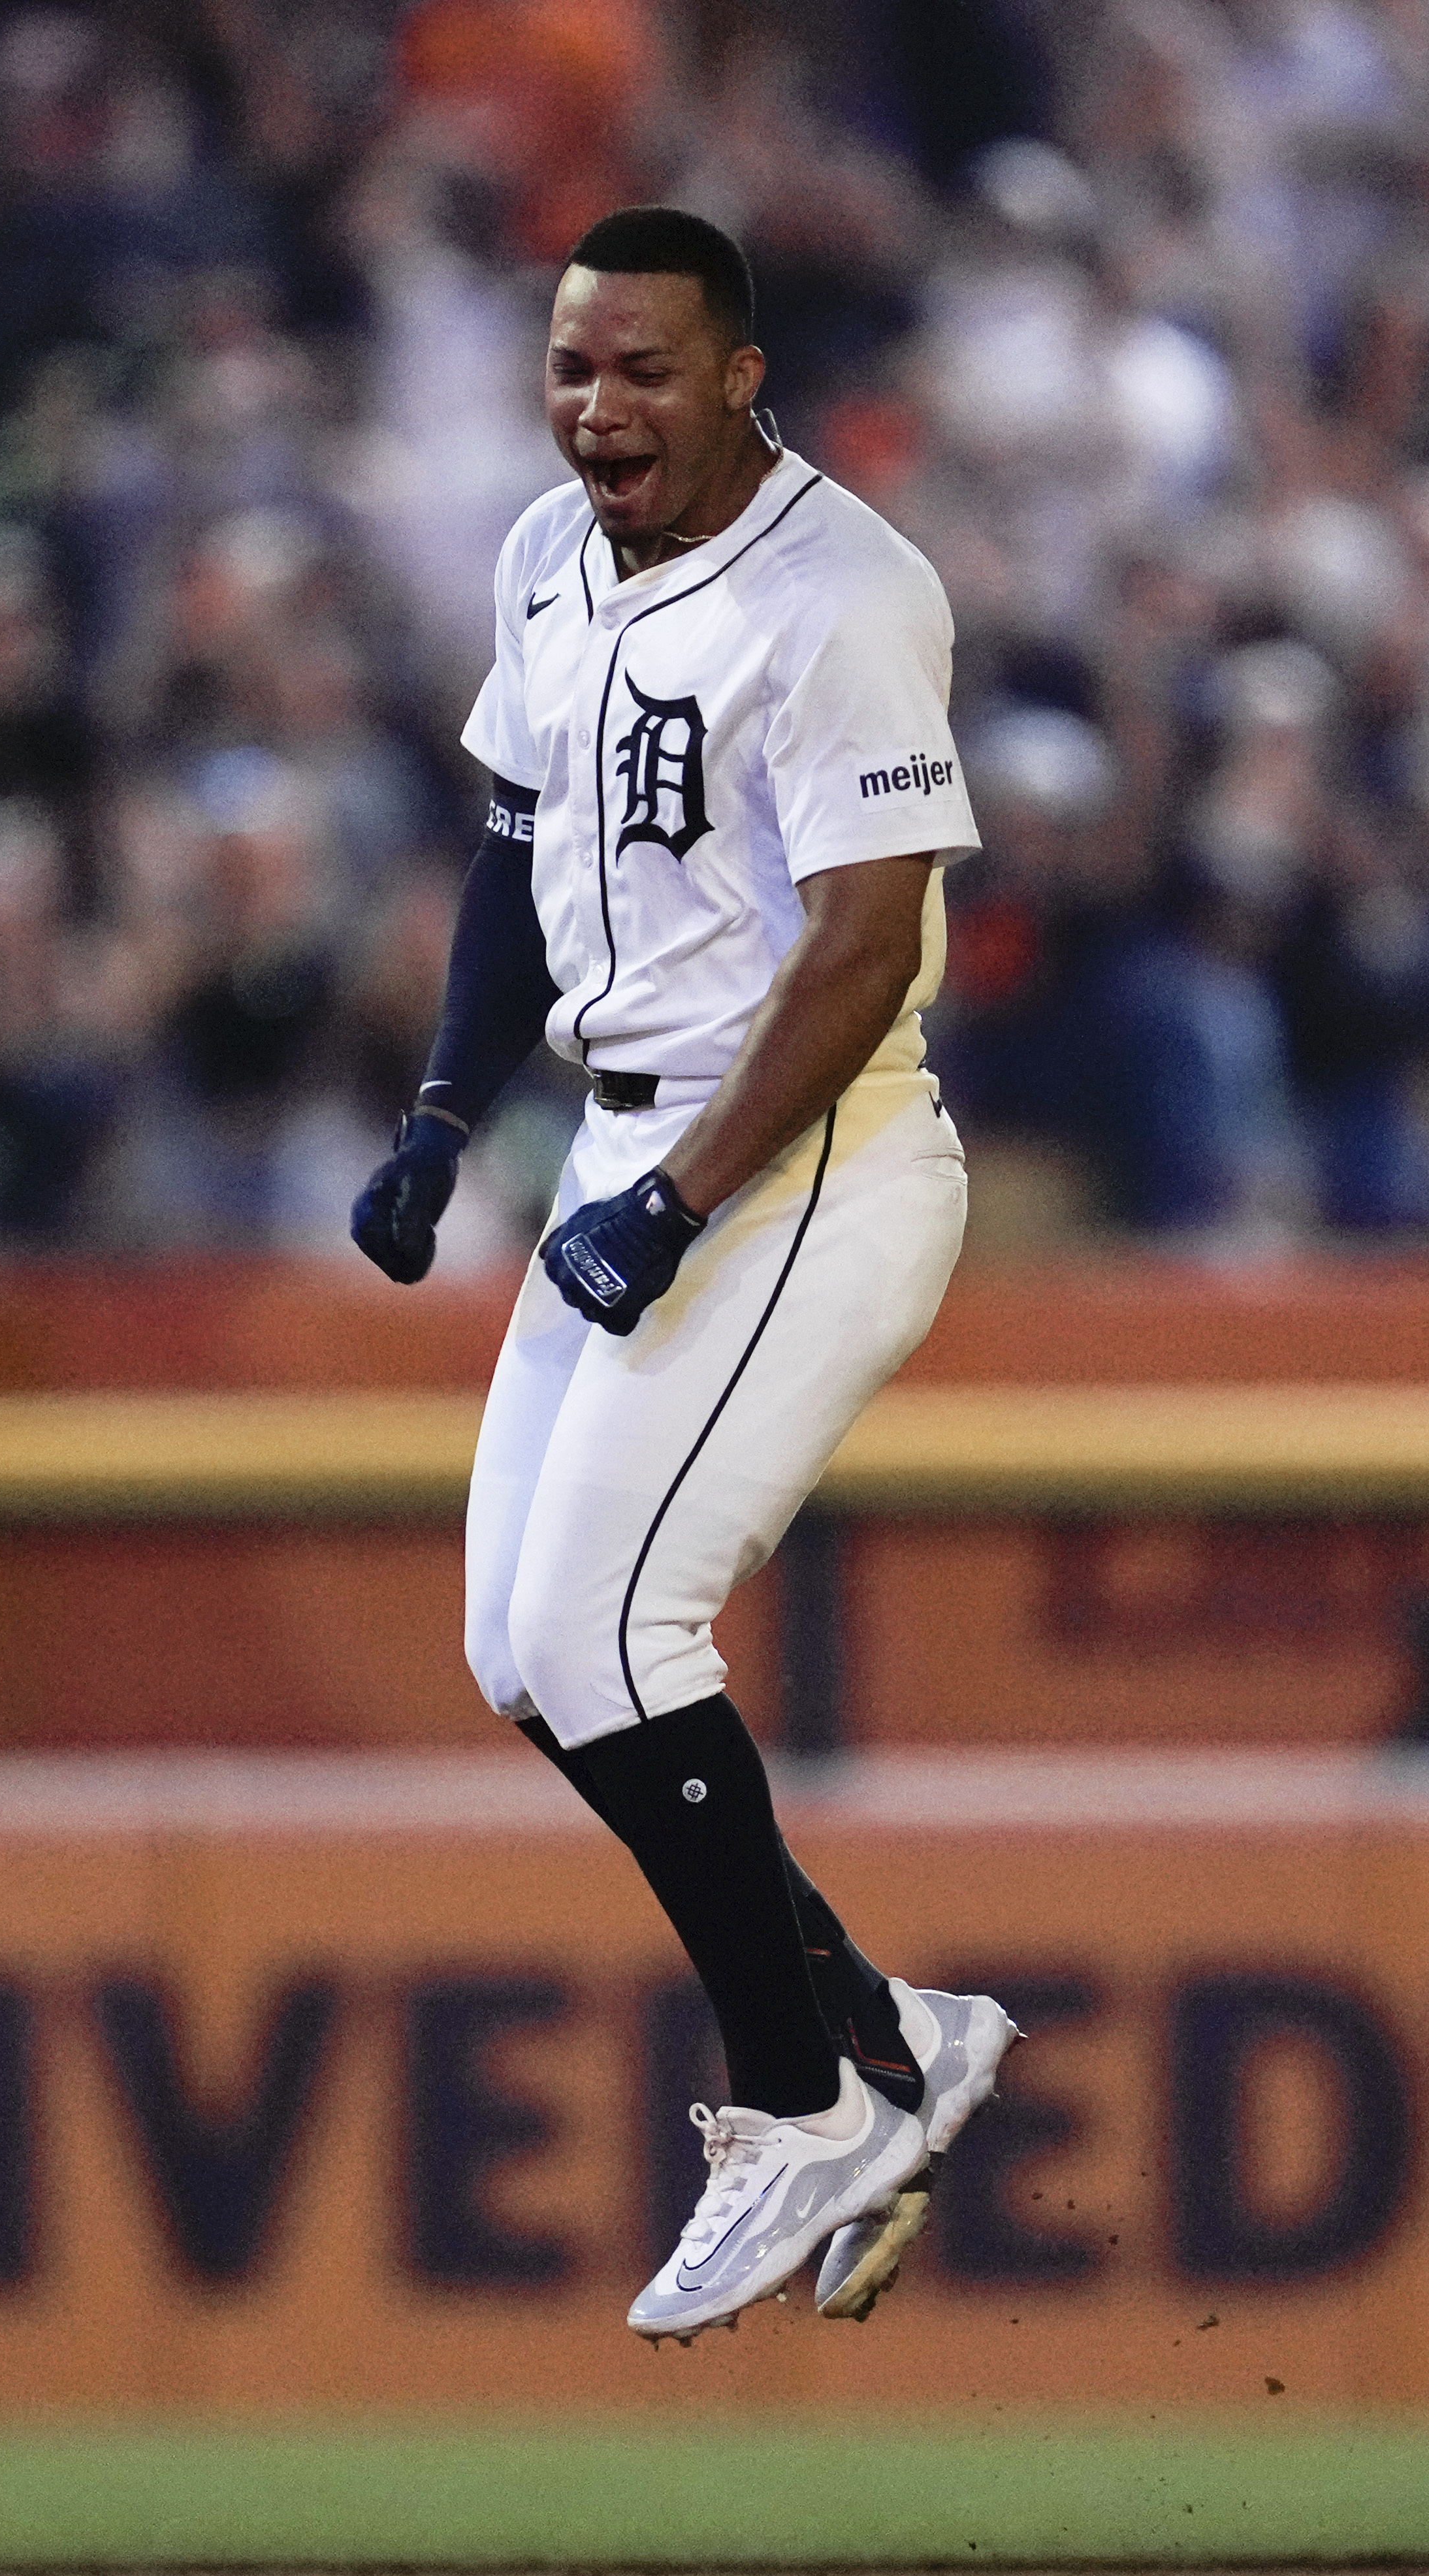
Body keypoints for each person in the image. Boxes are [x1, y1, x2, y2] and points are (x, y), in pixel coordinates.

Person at [349, 208, 1018, 2341]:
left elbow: (857, 942)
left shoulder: (842, 590)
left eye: (644, 369)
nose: (596, 406)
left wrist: (679, 1193)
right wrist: (445, 1120)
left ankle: (804, 2092)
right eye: (572, 366)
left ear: (740, 375)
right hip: (625, 1137)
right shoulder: (547, 556)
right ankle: (894, 2040)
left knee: (607, 1624)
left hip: (806, 1147)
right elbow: (503, 853)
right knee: (519, 1656)